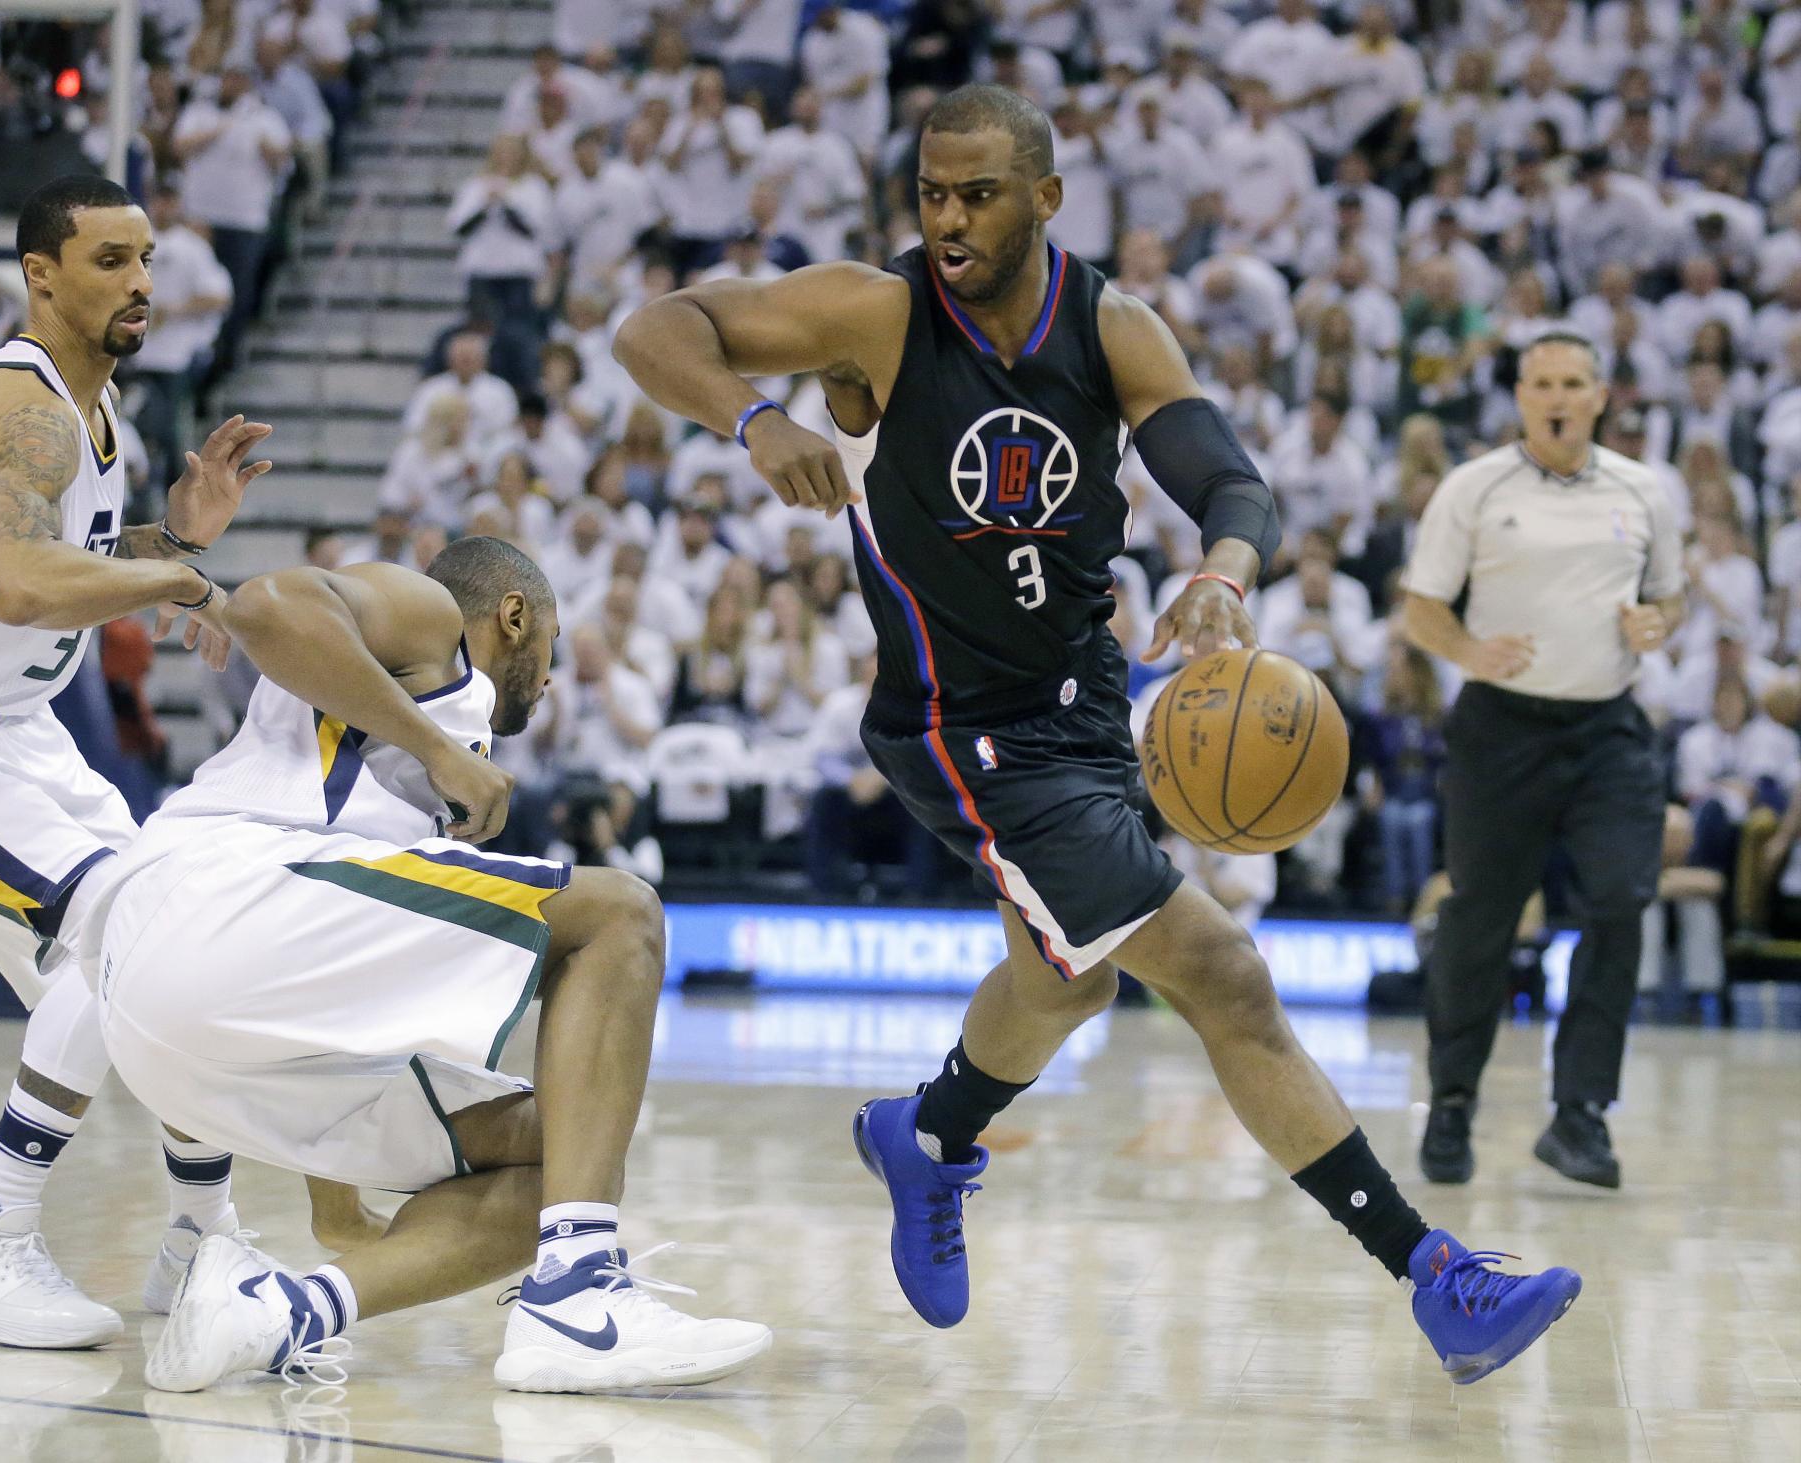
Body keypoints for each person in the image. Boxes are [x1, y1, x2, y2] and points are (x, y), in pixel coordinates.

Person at [614, 84, 1580, 1384]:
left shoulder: (1109, 326)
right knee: (1222, 974)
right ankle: (1434, 1275)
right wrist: (758, 418)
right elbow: (653, 326)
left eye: (978, 195)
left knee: (1070, 979)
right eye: (931, 194)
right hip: (962, 726)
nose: (949, 220)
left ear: (1047, 198)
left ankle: (928, 1131)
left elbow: (1229, 479)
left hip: (1082, 702)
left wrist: (1224, 569)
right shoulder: (876, 312)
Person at [0, 176, 361, 1350]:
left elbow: (59, 551)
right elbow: (21, 583)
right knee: (119, 924)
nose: (141, 282)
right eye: (110, 260)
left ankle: (200, 1240)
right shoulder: (26, 407)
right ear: (40, 276)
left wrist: (176, 537)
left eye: (146, 258)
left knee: (173, 940)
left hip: (15, 735)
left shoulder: (102, 423)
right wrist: (181, 578)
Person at [86, 536, 768, 1392]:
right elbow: (264, 604)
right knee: (621, 915)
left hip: (186, 1036)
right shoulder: (430, 615)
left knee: (571, 1152)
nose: (549, 677)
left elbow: (339, 971)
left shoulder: (406, 736)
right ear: (514, 616)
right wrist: (438, 750)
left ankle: (280, 1311)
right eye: (550, 645)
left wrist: (337, 1202)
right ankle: (578, 1296)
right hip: (213, 899)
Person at [1402, 331, 1686, 1191]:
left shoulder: (1643, 489)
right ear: (1521, 397)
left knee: (1622, 898)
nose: (1558, 397)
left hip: (1608, 727)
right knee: (1480, 918)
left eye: (1573, 382)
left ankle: (1580, 1114)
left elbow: (1669, 596)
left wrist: (1657, 622)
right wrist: (1469, 651)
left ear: (1601, 396)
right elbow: (1421, 608)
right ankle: (1453, 1101)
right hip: (1501, 729)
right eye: (1542, 383)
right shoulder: (1474, 486)